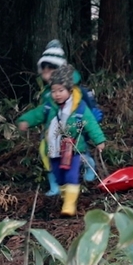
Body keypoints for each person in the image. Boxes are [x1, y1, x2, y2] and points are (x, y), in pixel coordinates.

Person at [18, 65, 106, 217]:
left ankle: (69, 205)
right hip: (54, 149)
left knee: (71, 175)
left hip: (73, 148)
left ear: (69, 90)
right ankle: (66, 196)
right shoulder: (49, 107)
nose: (57, 95)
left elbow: (91, 123)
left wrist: (99, 140)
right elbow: (37, 114)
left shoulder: (79, 108)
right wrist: (26, 120)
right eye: (53, 91)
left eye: (61, 90)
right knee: (59, 176)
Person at [33, 40, 97, 196]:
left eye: (52, 69)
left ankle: (88, 164)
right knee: (47, 154)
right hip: (52, 131)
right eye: (45, 69)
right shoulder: (47, 92)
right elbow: (44, 110)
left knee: (76, 151)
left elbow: (86, 104)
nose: (47, 73)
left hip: (73, 128)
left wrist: (93, 114)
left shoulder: (74, 88)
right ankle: (54, 183)